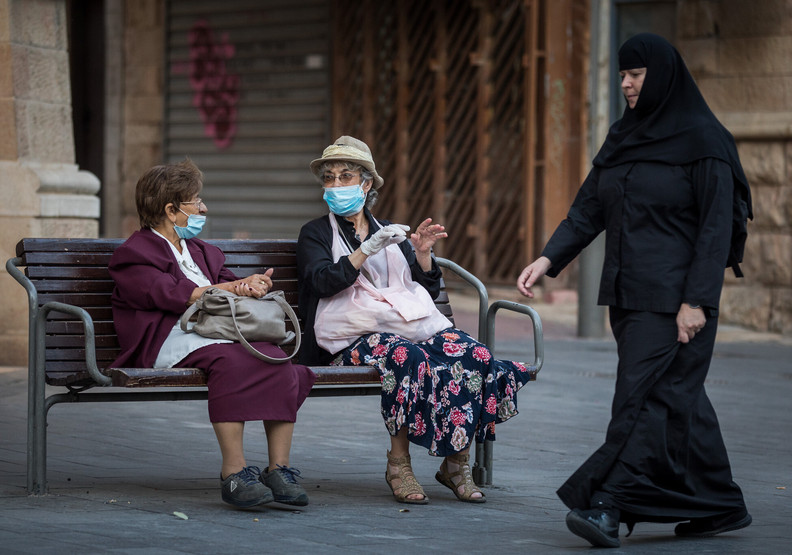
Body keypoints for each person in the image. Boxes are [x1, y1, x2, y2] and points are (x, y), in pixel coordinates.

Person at [517, 33, 752, 548]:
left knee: (643, 403)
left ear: (662, 75)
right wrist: (548, 258)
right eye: (622, 74)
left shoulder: (706, 143)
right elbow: (589, 208)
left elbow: (716, 231)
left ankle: (608, 504)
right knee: (676, 399)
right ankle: (720, 503)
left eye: (636, 74)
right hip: (627, 297)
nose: (625, 83)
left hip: (676, 302)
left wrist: (696, 302)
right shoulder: (625, 137)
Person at [297, 136, 534, 504]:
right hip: (349, 337)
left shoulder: (390, 230)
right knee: (408, 357)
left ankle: (456, 462)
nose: (336, 185)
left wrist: (422, 255)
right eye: (329, 178)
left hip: (406, 326)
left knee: (476, 355)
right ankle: (398, 465)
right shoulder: (315, 233)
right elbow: (321, 282)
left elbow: (424, 288)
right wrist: (365, 250)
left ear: (366, 184)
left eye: (345, 176)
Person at [108, 159, 316, 509]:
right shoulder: (134, 254)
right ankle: (233, 472)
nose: (203, 208)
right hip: (169, 338)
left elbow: (227, 283)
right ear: (171, 210)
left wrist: (251, 286)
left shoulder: (201, 250)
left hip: (215, 331)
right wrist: (230, 288)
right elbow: (169, 293)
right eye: (196, 201)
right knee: (232, 361)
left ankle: (279, 469)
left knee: (276, 357)